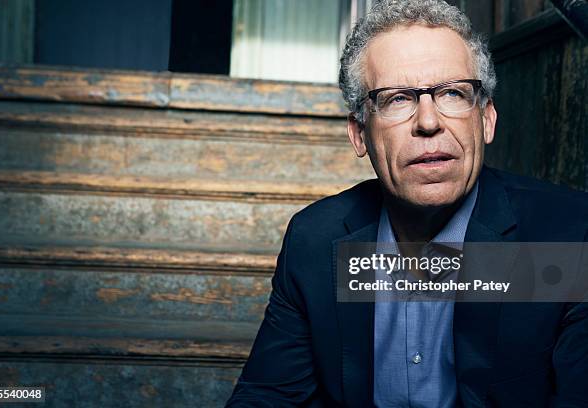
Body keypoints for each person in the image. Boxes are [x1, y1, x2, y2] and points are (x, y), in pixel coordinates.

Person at [226, 0, 588, 406]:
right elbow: (269, 396)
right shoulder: (315, 241)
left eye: (453, 93)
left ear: (486, 119)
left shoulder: (569, 234)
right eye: (397, 99)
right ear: (360, 133)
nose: (428, 122)